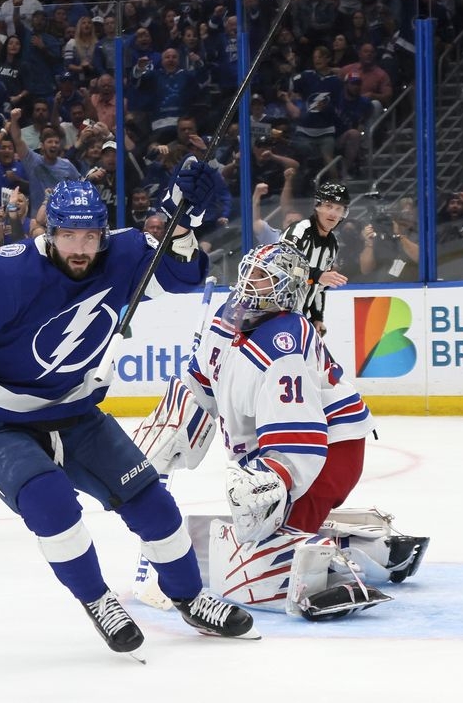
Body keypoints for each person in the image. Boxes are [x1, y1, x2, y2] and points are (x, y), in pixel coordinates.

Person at [0, 173, 258, 656]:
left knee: (151, 502)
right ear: (50, 232)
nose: (80, 247)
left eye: (90, 235)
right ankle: (99, 600)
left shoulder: (125, 253)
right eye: (69, 235)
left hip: (77, 414)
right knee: (51, 503)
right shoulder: (9, 272)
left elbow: (182, 276)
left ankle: (191, 596)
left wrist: (182, 226)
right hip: (1, 423)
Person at [171, 242, 428, 619]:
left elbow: (299, 437)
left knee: (270, 548)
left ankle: (347, 567)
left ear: (285, 289)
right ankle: (383, 549)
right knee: (263, 532)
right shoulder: (231, 316)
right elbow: (204, 380)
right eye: (247, 273)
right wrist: (173, 423)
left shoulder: (283, 343)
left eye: (261, 277)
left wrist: (273, 480)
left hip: (327, 453)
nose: (248, 284)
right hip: (303, 447)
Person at [280, 182, 351, 336]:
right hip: (276, 316)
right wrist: (317, 276)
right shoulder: (299, 231)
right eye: (328, 206)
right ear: (317, 207)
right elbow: (281, 268)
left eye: (339, 208)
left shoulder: (333, 244)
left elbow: (318, 287)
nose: (333, 213)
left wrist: (317, 317)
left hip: (301, 319)